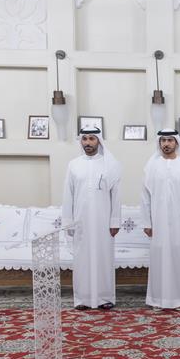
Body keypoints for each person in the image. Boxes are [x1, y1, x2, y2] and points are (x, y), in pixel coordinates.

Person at [62, 127, 122, 310]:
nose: (88, 142)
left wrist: (115, 221)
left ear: (99, 141)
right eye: (85, 139)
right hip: (81, 221)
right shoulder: (74, 164)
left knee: (104, 258)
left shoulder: (110, 165)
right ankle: (82, 298)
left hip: (103, 222)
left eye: (92, 139)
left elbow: (116, 196)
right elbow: (68, 195)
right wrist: (68, 222)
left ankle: (105, 298)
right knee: (82, 259)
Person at [142, 129, 180, 310]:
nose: (166, 144)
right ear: (159, 143)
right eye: (163, 140)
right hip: (157, 223)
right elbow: (145, 197)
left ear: (176, 143)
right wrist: (147, 222)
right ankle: (157, 300)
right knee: (159, 260)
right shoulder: (151, 167)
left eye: (170, 140)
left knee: (179, 260)